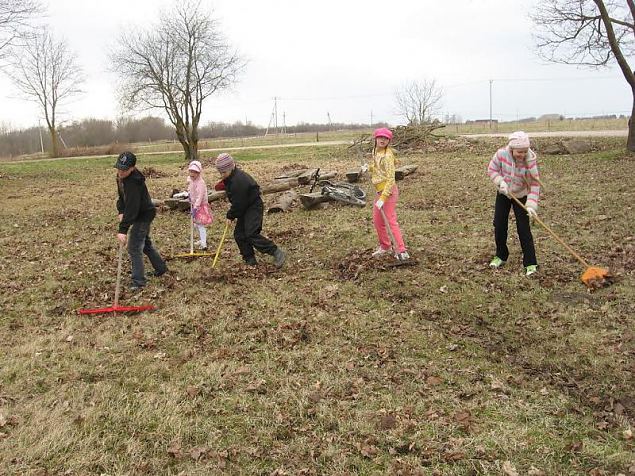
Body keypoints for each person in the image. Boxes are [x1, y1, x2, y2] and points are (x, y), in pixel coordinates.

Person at [214, 153, 285, 268]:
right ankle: (250, 259)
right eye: (220, 173)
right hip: (244, 208)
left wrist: (230, 216)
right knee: (239, 235)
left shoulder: (238, 181)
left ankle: (276, 251)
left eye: (224, 172)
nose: (222, 175)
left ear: (232, 167)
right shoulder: (231, 178)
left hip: (253, 207)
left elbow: (238, 203)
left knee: (251, 233)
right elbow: (238, 202)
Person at [487, 131, 541, 276]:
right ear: (511, 149)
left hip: (521, 195)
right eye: (519, 152)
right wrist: (500, 182)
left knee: (523, 229)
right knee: (499, 225)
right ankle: (501, 255)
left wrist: (531, 205)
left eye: (524, 151)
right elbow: (491, 170)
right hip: (504, 193)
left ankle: (530, 263)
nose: (522, 155)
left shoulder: (530, 161)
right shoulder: (501, 154)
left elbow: (535, 184)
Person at [115, 151, 167, 290]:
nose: (120, 171)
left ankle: (138, 282)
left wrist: (123, 229)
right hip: (138, 213)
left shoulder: (134, 182)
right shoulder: (121, 177)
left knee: (134, 247)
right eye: (119, 168)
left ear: (132, 168)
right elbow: (121, 197)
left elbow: (132, 208)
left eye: (124, 169)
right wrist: (120, 210)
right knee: (145, 244)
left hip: (144, 215)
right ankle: (161, 268)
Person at [366, 127, 409, 261]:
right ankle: (385, 246)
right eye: (380, 137)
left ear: (389, 141)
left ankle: (401, 250)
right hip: (379, 191)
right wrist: (367, 168)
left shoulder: (388, 156)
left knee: (390, 221)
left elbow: (391, 179)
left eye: (386, 138)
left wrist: (383, 197)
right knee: (378, 221)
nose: (382, 140)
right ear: (376, 138)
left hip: (388, 192)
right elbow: (376, 167)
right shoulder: (375, 151)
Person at [187, 160, 213, 250]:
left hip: (200, 206)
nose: (192, 174)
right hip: (194, 205)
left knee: (200, 225)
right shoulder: (191, 180)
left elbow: (200, 196)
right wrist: (189, 195)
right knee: (196, 225)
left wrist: (195, 208)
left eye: (195, 172)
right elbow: (190, 189)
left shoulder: (201, 183)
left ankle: (204, 243)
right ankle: (201, 239)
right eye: (191, 172)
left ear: (199, 173)